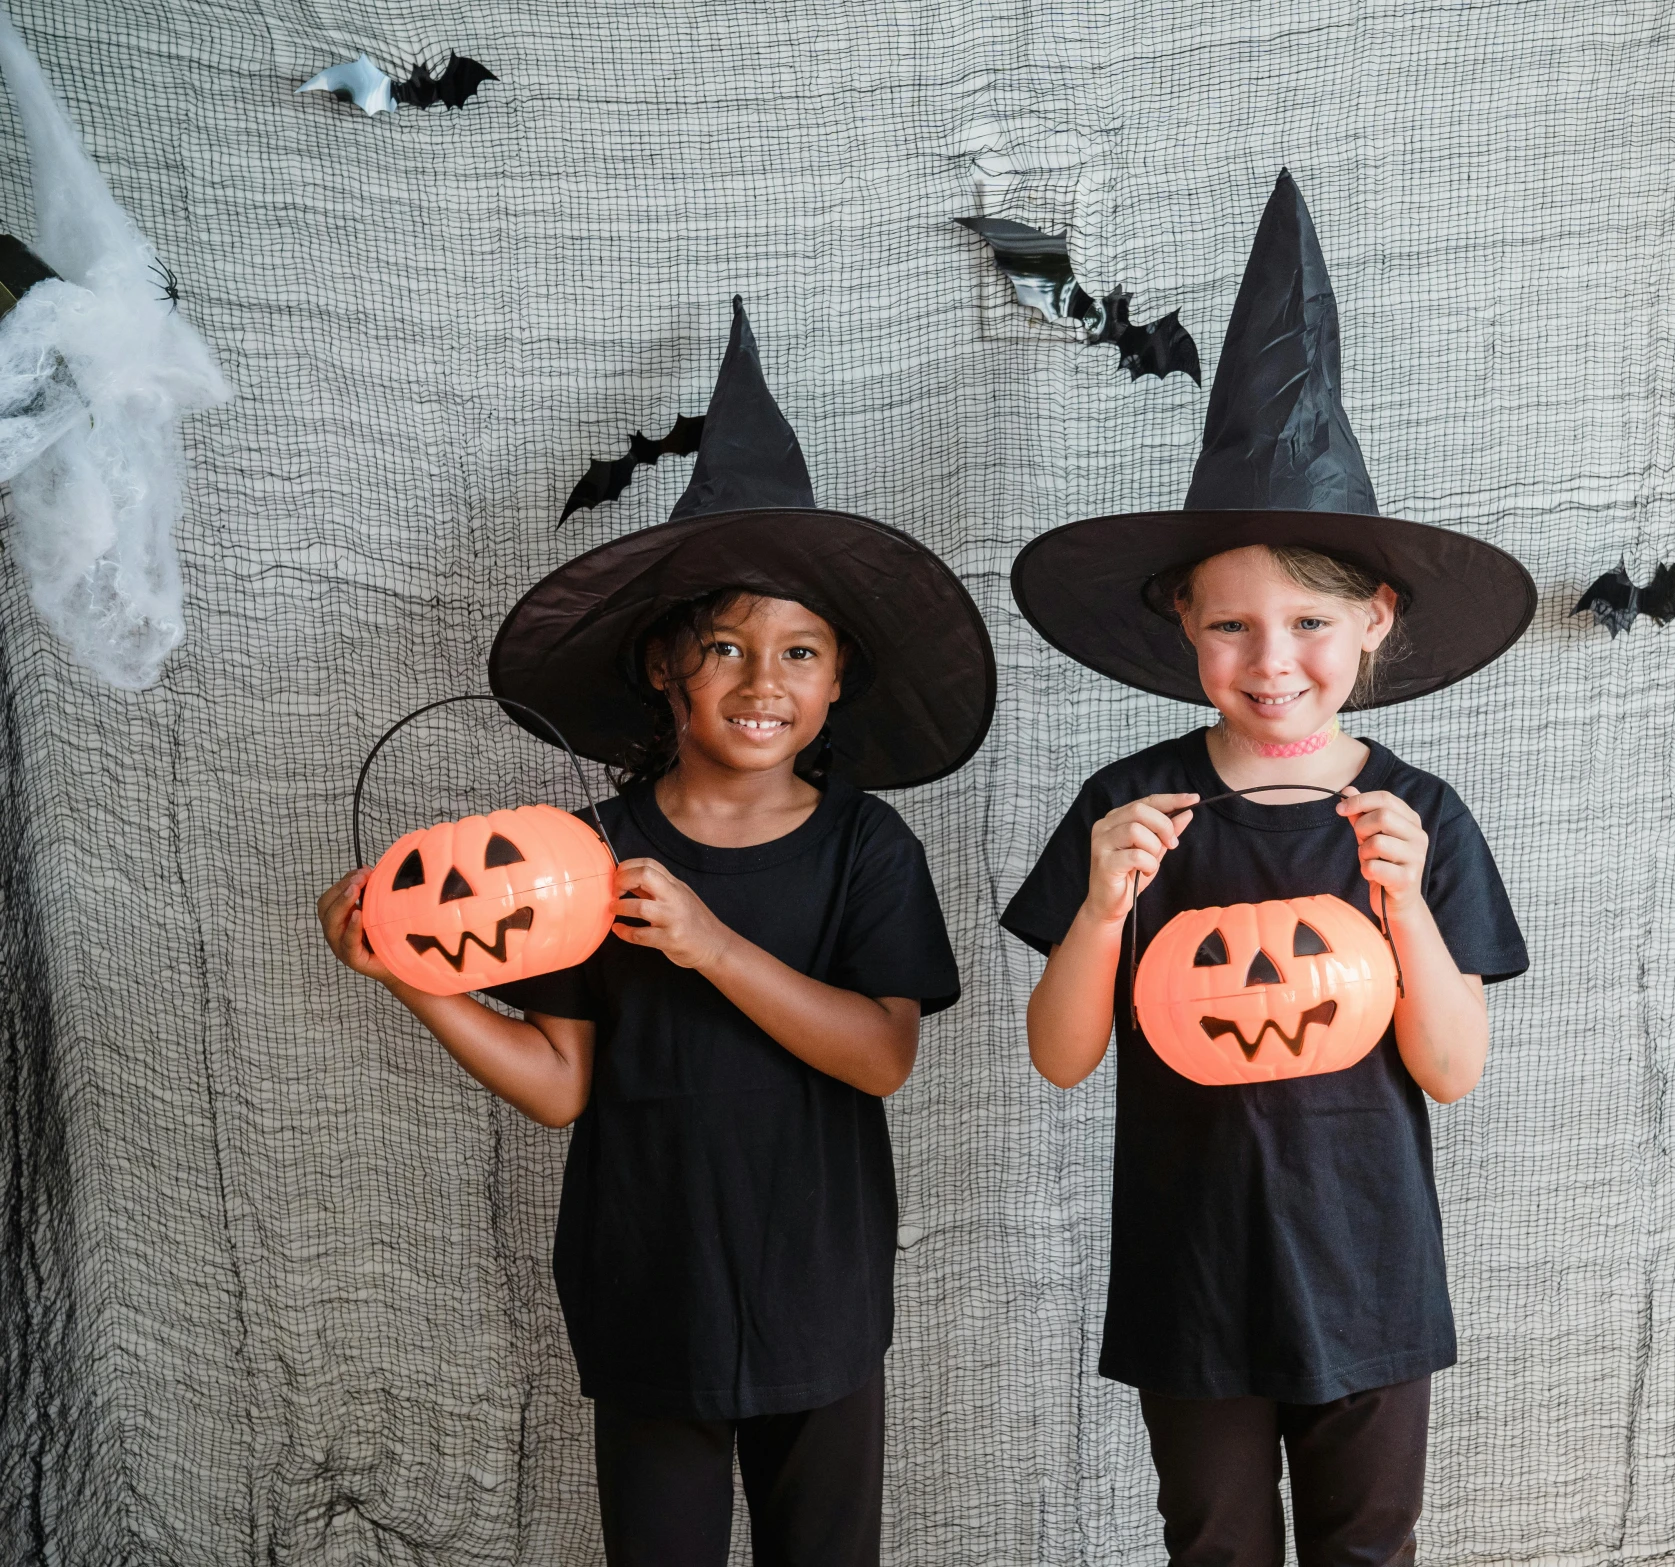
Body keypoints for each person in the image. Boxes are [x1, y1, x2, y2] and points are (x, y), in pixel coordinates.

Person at [316, 299, 994, 1567]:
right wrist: (410, 973)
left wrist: (711, 945)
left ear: (838, 678)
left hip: (819, 1298)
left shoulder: (865, 849)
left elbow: (882, 1056)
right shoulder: (576, 859)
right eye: (725, 647)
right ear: (663, 670)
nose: (761, 681)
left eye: (799, 651)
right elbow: (561, 1085)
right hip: (647, 1295)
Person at [1001, 171, 1535, 1567]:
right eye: (1229, 625)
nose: (1270, 660)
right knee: (1212, 1544)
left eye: (1306, 620)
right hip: (1192, 1276)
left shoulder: (1416, 813)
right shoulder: (1131, 805)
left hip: (1369, 1271)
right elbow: (1060, 1053)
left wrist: (1405, 904)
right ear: (1182, 627)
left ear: (1373, 623)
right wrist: (1105, 907)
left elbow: (1451, 1063)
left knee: (1367, 1546)